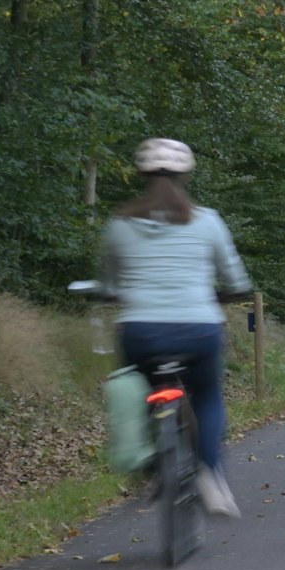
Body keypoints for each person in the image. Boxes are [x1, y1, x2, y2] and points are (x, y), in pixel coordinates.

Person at [102, 138, 252, 517]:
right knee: (206, 396)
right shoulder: (208, 221)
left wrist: (111, 294)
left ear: (140, 175)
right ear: (186, 175)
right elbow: (234, 276)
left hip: (141, 332)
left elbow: (109, 283)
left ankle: (152, 460)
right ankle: (209, 472)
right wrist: (233, 293)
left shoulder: (119, 224)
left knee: (141, 388)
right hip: (198, 329)